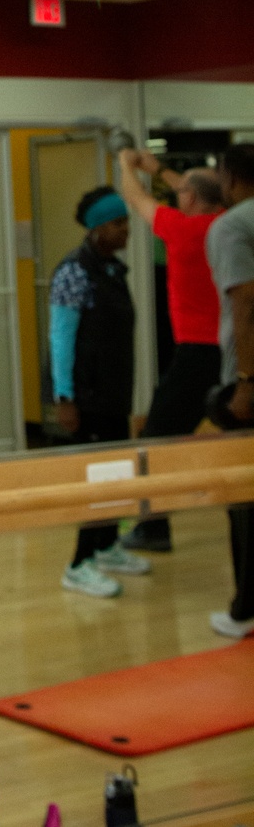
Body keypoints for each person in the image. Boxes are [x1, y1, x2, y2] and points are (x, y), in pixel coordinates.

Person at [118, 150, 223, 552]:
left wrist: (129, 167)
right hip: (232, 354)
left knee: (157, 441)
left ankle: (153, 529)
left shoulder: (183, 229)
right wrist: (158, 168)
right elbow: (198, 188)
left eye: (182, 192)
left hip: (198, 355)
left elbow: (136, 197)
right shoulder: (229, 225)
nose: (177, 195)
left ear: (190, 200)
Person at [49, 185, 150, 598]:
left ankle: (107, 547)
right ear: (96, 230)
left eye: (126, 221)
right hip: (87, 398)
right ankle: (78, 565)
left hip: (113, 394)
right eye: (117, 223)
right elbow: (61, 339)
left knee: (116, 476)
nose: (126, 230)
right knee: (97, 482)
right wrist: (64, 397)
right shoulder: (74, 271)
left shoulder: (112, 269)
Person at [205, 143, 254, 638]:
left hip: (249, 378)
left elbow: (245, 304)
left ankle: (244, 611)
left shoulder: (232, 225)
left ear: (232, 178)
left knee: (244, 495)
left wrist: (246, 382)